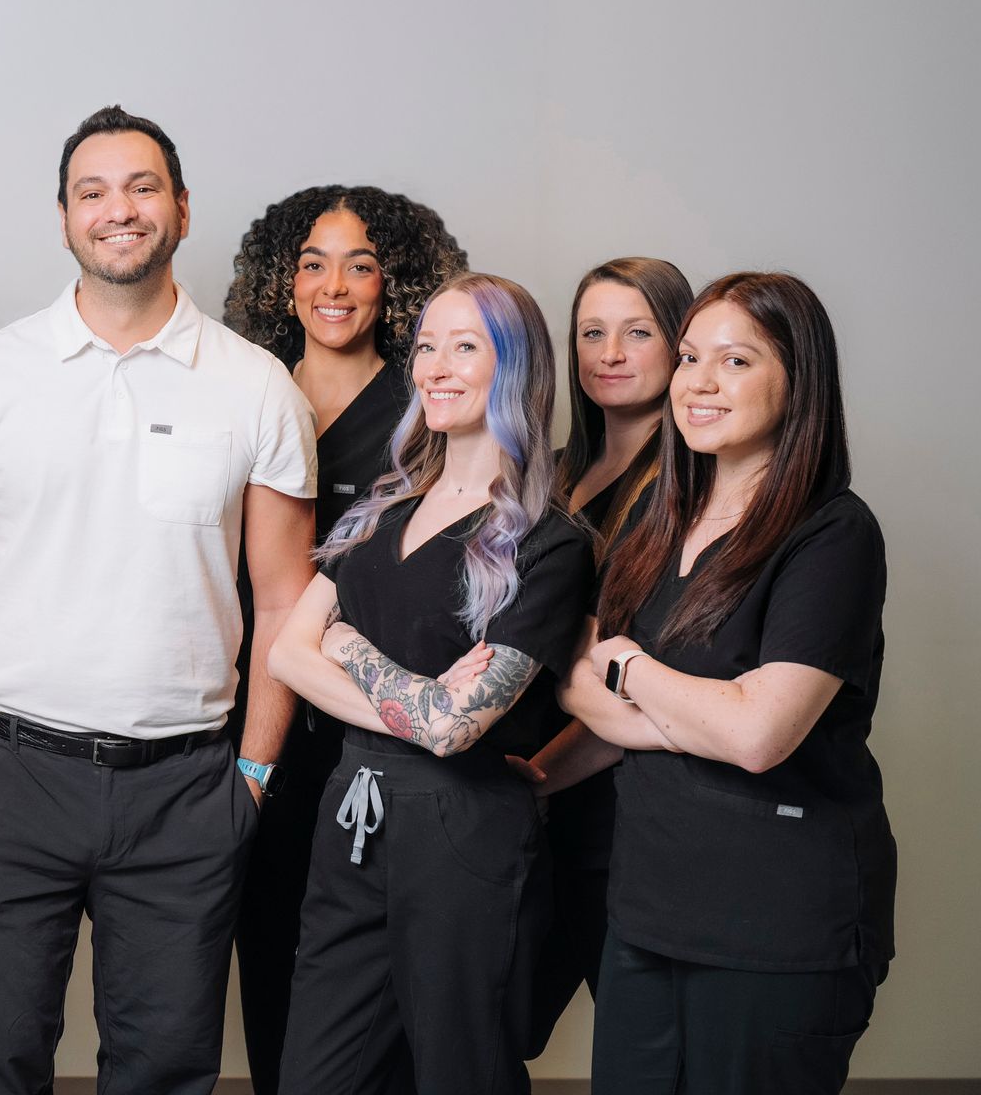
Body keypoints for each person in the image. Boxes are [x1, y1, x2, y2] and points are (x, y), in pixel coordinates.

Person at [0, 105, 318, 1094]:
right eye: (93, 191)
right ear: (63, 218)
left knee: (166, 1068)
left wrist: (251, 777)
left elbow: (284, 599)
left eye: (141, 187)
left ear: (180, 207)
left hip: (184, 789)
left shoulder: (257, 387)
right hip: (5, 776)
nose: (118, 209)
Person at [560, 272, 895, 1094]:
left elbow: (757, 736)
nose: (698, 383)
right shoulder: (659, 519)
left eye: (736, 361)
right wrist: (537, 778)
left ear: (798, 380)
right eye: (689, 358)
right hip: (648, 912)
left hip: (778, 927)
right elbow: (576, 682)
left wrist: (631, 665)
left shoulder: (833, 534)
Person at [268, 273, 596, 1095]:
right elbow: (285, 655)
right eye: (424, 346)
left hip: (462, 829)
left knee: (459, 1070)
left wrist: (347, 646)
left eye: (465, 347)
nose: (434, 367)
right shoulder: (379, 511)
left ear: (516, 368)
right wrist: (414, 697)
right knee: (317, 1075)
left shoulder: (549, 543)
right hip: (351, 813)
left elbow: (456, 731)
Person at [221, 184, 468, 1094]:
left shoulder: (428, 412)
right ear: (281, 283)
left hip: (381, 734)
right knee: (273, 956)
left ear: (392, 285)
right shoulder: (242, 396)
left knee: (383, 991)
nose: (334, 286)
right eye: (313, 264)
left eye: (360, 265)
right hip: (252, 729)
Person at [516, 257, 692, 1057]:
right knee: (492, 1023)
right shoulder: (554, 475)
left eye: (637, 331)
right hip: (531, 803)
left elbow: (641, 686)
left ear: (681, 342)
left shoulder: (694, 493)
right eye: (592, 332)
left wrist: (539, 779)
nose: (609, 352)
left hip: (617, 810)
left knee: (642, 1046)